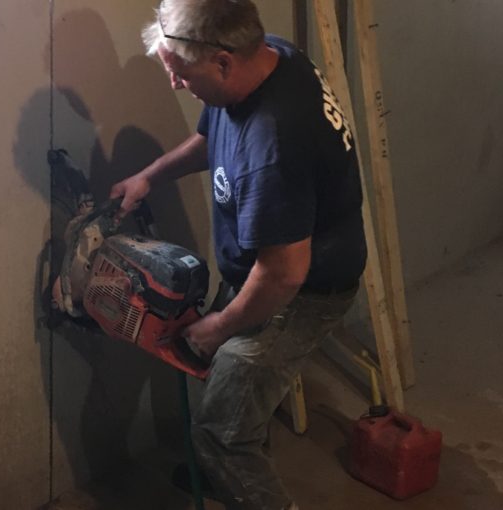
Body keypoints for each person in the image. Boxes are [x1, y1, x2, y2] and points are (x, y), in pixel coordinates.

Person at [110, 1, 367, 509]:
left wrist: (216, 328)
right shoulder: (271, 58)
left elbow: (283, 275)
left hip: (300, 292)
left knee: (221, 435)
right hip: (269, 267)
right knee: (234, 400)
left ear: (223, 62)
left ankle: (234, 471)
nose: (174, 85)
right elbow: (214, 134)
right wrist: (150, 176)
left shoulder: (273, 148)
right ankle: (226, 470)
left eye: (180, 73)